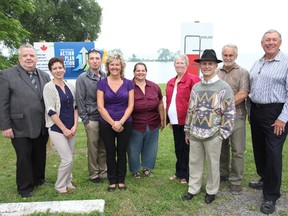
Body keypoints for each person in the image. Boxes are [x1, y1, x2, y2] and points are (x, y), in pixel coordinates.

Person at [182, 49, 235, 204]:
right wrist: (187, 130)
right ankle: (193, 188)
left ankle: (211, 191)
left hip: (213, 134)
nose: (206, 66)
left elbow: (230, 112)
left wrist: (223, 133)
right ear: (200, 66)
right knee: (194, 162)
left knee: (213, 164)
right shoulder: (196, 87)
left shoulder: (224, 87)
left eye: (210, 64)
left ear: (215, 66)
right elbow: (190, 109)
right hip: (195, 133)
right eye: (203, 64)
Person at [0, 43, 50, 198]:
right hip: (19, 125)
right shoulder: (6, 75)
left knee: (40, 154)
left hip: (42, 124)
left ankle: (38, 179)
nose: (29, 58)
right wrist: (5, 126)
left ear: (36, 58)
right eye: (25, 55)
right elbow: (2, 102)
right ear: (19, 58)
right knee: (24, 156)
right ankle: (25, 188)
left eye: (32, 55)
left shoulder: (44, 75)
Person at [248, 29, 288, 215]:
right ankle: (265, 178)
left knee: (273, 153)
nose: (270, 42)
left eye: (274, 40)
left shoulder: (286, 63)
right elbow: (252, 88)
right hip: (256, 111)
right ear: (262, 43)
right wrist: (250, 111)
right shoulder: (258, 63)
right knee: (260, 149)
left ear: (280, 42)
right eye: (267, 40)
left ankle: (271, 196)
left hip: (275, 114)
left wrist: (283, 118)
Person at [97, 52, 134, 191]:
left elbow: (131, 105)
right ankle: (112, 179)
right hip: (107, 122)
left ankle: (121, 179)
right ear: (108, 66)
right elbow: (100, 106)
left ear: (121, 66)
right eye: (112, 64)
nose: (114, 67)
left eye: (117, 64)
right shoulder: (102, 83)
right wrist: (113, 123)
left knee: (122, 150)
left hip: (125, 122)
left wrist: (121, 122)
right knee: (110, 151)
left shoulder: (128, 83)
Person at [216, 44, 250, 195]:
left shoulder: (243, 72)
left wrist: (223, 105)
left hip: (237, 116)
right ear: (222, 56)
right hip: (219, 117)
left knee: (238, 150)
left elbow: (243, 93)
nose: (228, 58)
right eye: (225, 55)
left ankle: (235, 181)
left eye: (231, 55)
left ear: (236, 56)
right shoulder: (216, 72)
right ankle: (223, 173)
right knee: (221, 147)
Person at [43, 57, 78, 194]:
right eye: (55, 68)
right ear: (51, 71)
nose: (58, 70)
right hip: (57, 128)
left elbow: (75, 107)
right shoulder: (48, 87)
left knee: (70, 156)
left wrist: (75, 125)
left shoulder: (70, 85)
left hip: (71, 128)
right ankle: (60, 185)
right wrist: (64, 129)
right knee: (67, 158)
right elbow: (50, 110)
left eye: (60, 67)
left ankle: (68, 181)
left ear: (64, 68)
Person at [165, 54, 201, 184]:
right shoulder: (170, 82)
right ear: (174, 65)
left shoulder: (194, 80)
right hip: (175, 121)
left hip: (187, 121)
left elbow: (197, 102)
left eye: (182, 63)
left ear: (186, 65)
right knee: (178, 147)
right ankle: (179, 172)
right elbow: (170, 101)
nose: (179, 65)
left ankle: (187, 174)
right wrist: (170, 119)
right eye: (177, 63)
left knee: (187, 148)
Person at [127, 62, 165, 179]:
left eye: (143, 70)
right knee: (134, 148)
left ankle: (147, 168)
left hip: (153, 122)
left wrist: (163, 119)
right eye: (138, 70)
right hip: (135, 123)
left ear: (146, 72)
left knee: (151, 147)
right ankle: (135, 170)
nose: (140, 72)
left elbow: (159, 102)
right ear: (134, 72)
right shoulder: (128, 86)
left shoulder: (154, 86)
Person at [76, 48, 107, 183]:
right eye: (92, 58)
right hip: (91, 118)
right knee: (93, 147)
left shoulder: (105, 76)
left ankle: (103, 172)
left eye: (97, 58)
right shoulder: (82, 78)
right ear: (88, 61)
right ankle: (94, 174)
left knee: (104, 146)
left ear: (101, 60)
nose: (95, 61)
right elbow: (79, 99)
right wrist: (85, 119)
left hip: (105, 118)